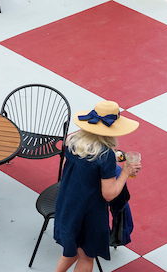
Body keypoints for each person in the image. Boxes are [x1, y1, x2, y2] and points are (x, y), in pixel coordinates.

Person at [52, 100, 141, 272]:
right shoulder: (105, 155)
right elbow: (109, 194)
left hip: (67, 203)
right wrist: (125, 172)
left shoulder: (73, 140)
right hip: (89, 212)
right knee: (86, 256)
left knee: (70, 251)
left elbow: (72, 167)